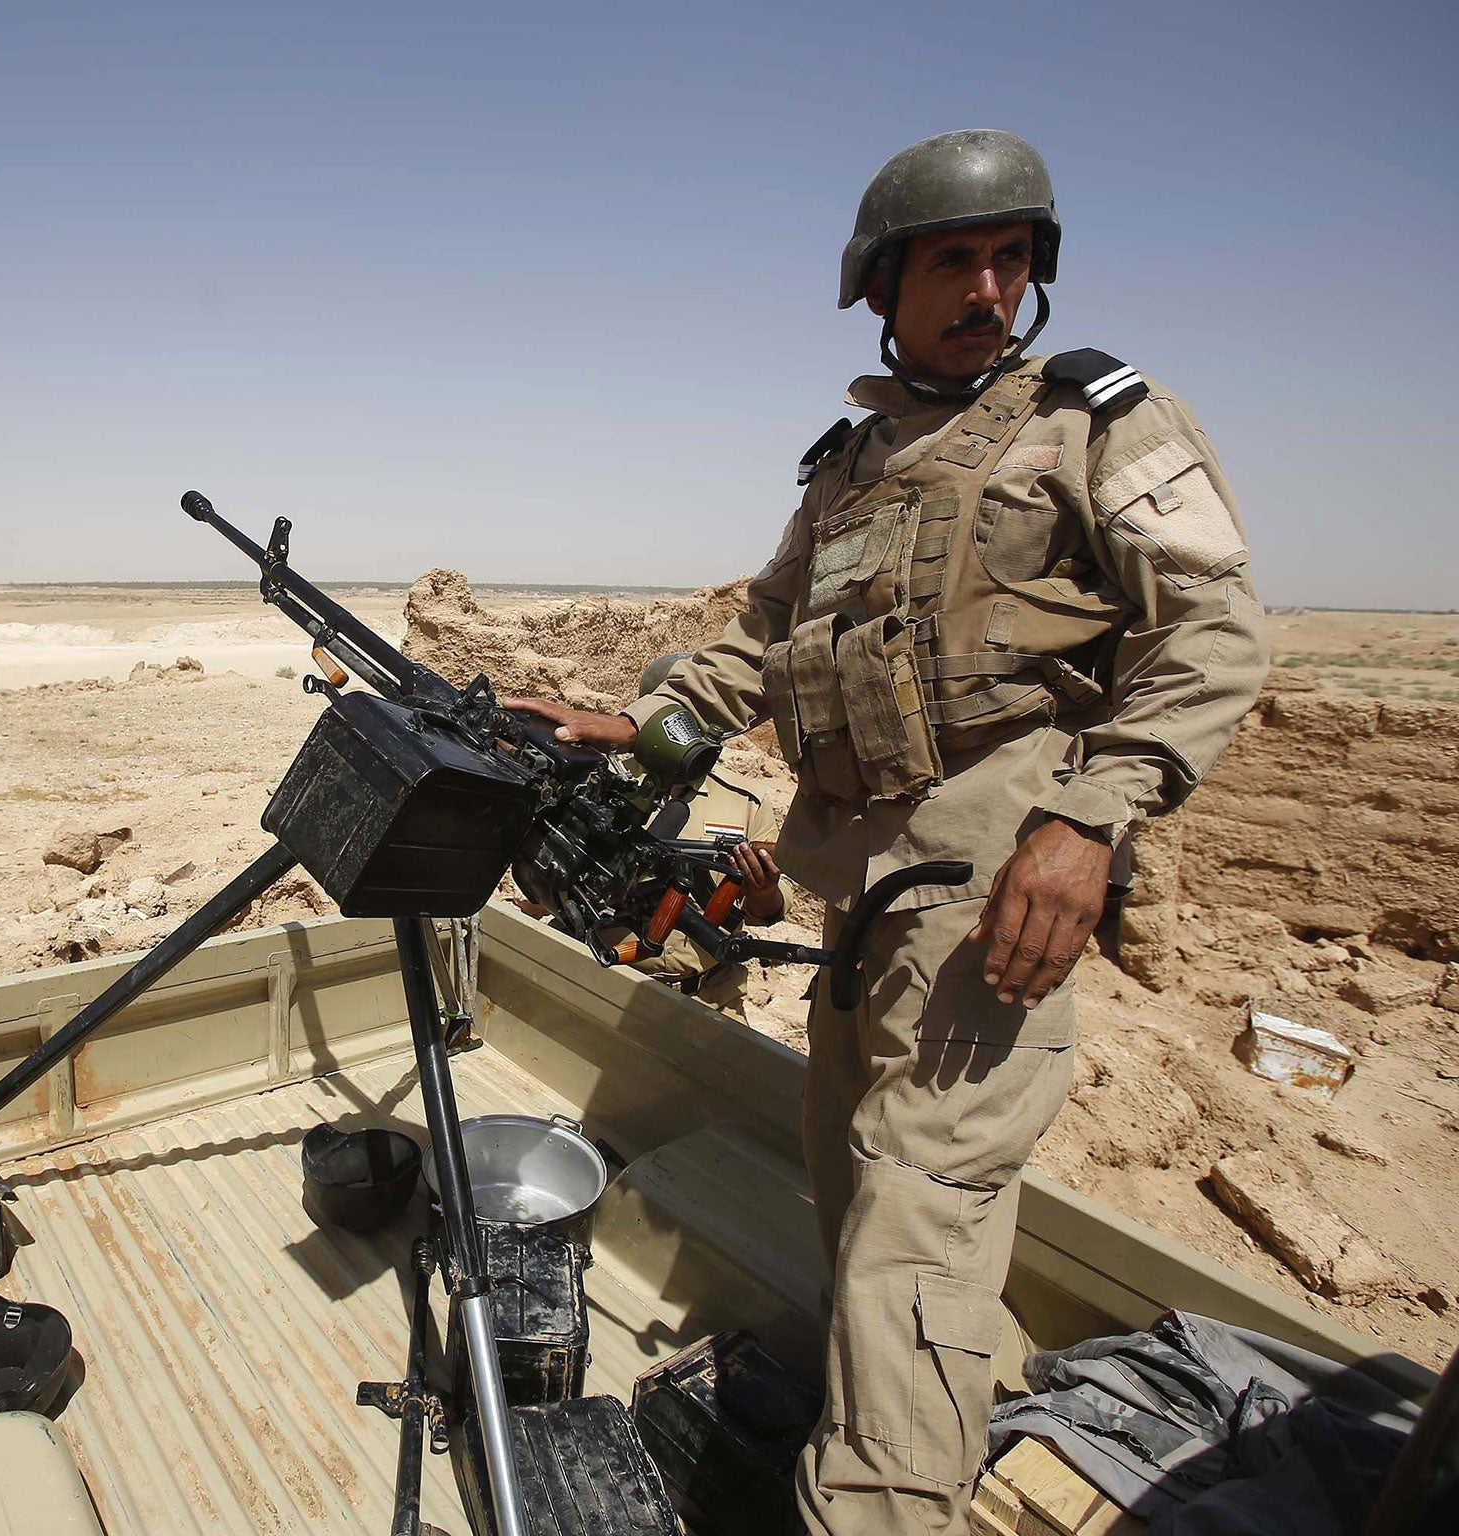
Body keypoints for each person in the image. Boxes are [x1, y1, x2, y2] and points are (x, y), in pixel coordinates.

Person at [509, 129, 1269, 1534]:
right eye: (953, 260)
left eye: (1009, 258)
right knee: (860, 1183)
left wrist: (1086, 825)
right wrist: (643, 725)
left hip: (992, 889)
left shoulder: (1095, 419)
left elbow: (1213, 638)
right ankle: (896, 1437)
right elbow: (761, 645)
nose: (988, 287)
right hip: (858, 884)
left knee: (925, 1218)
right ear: (882, 286)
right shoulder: (851, 464)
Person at [590, 652, 786, 1017]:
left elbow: (768, 912)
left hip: (711, 999)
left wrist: (763, 890)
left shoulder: (745, 801)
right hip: (606, 984)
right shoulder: (607, 784)